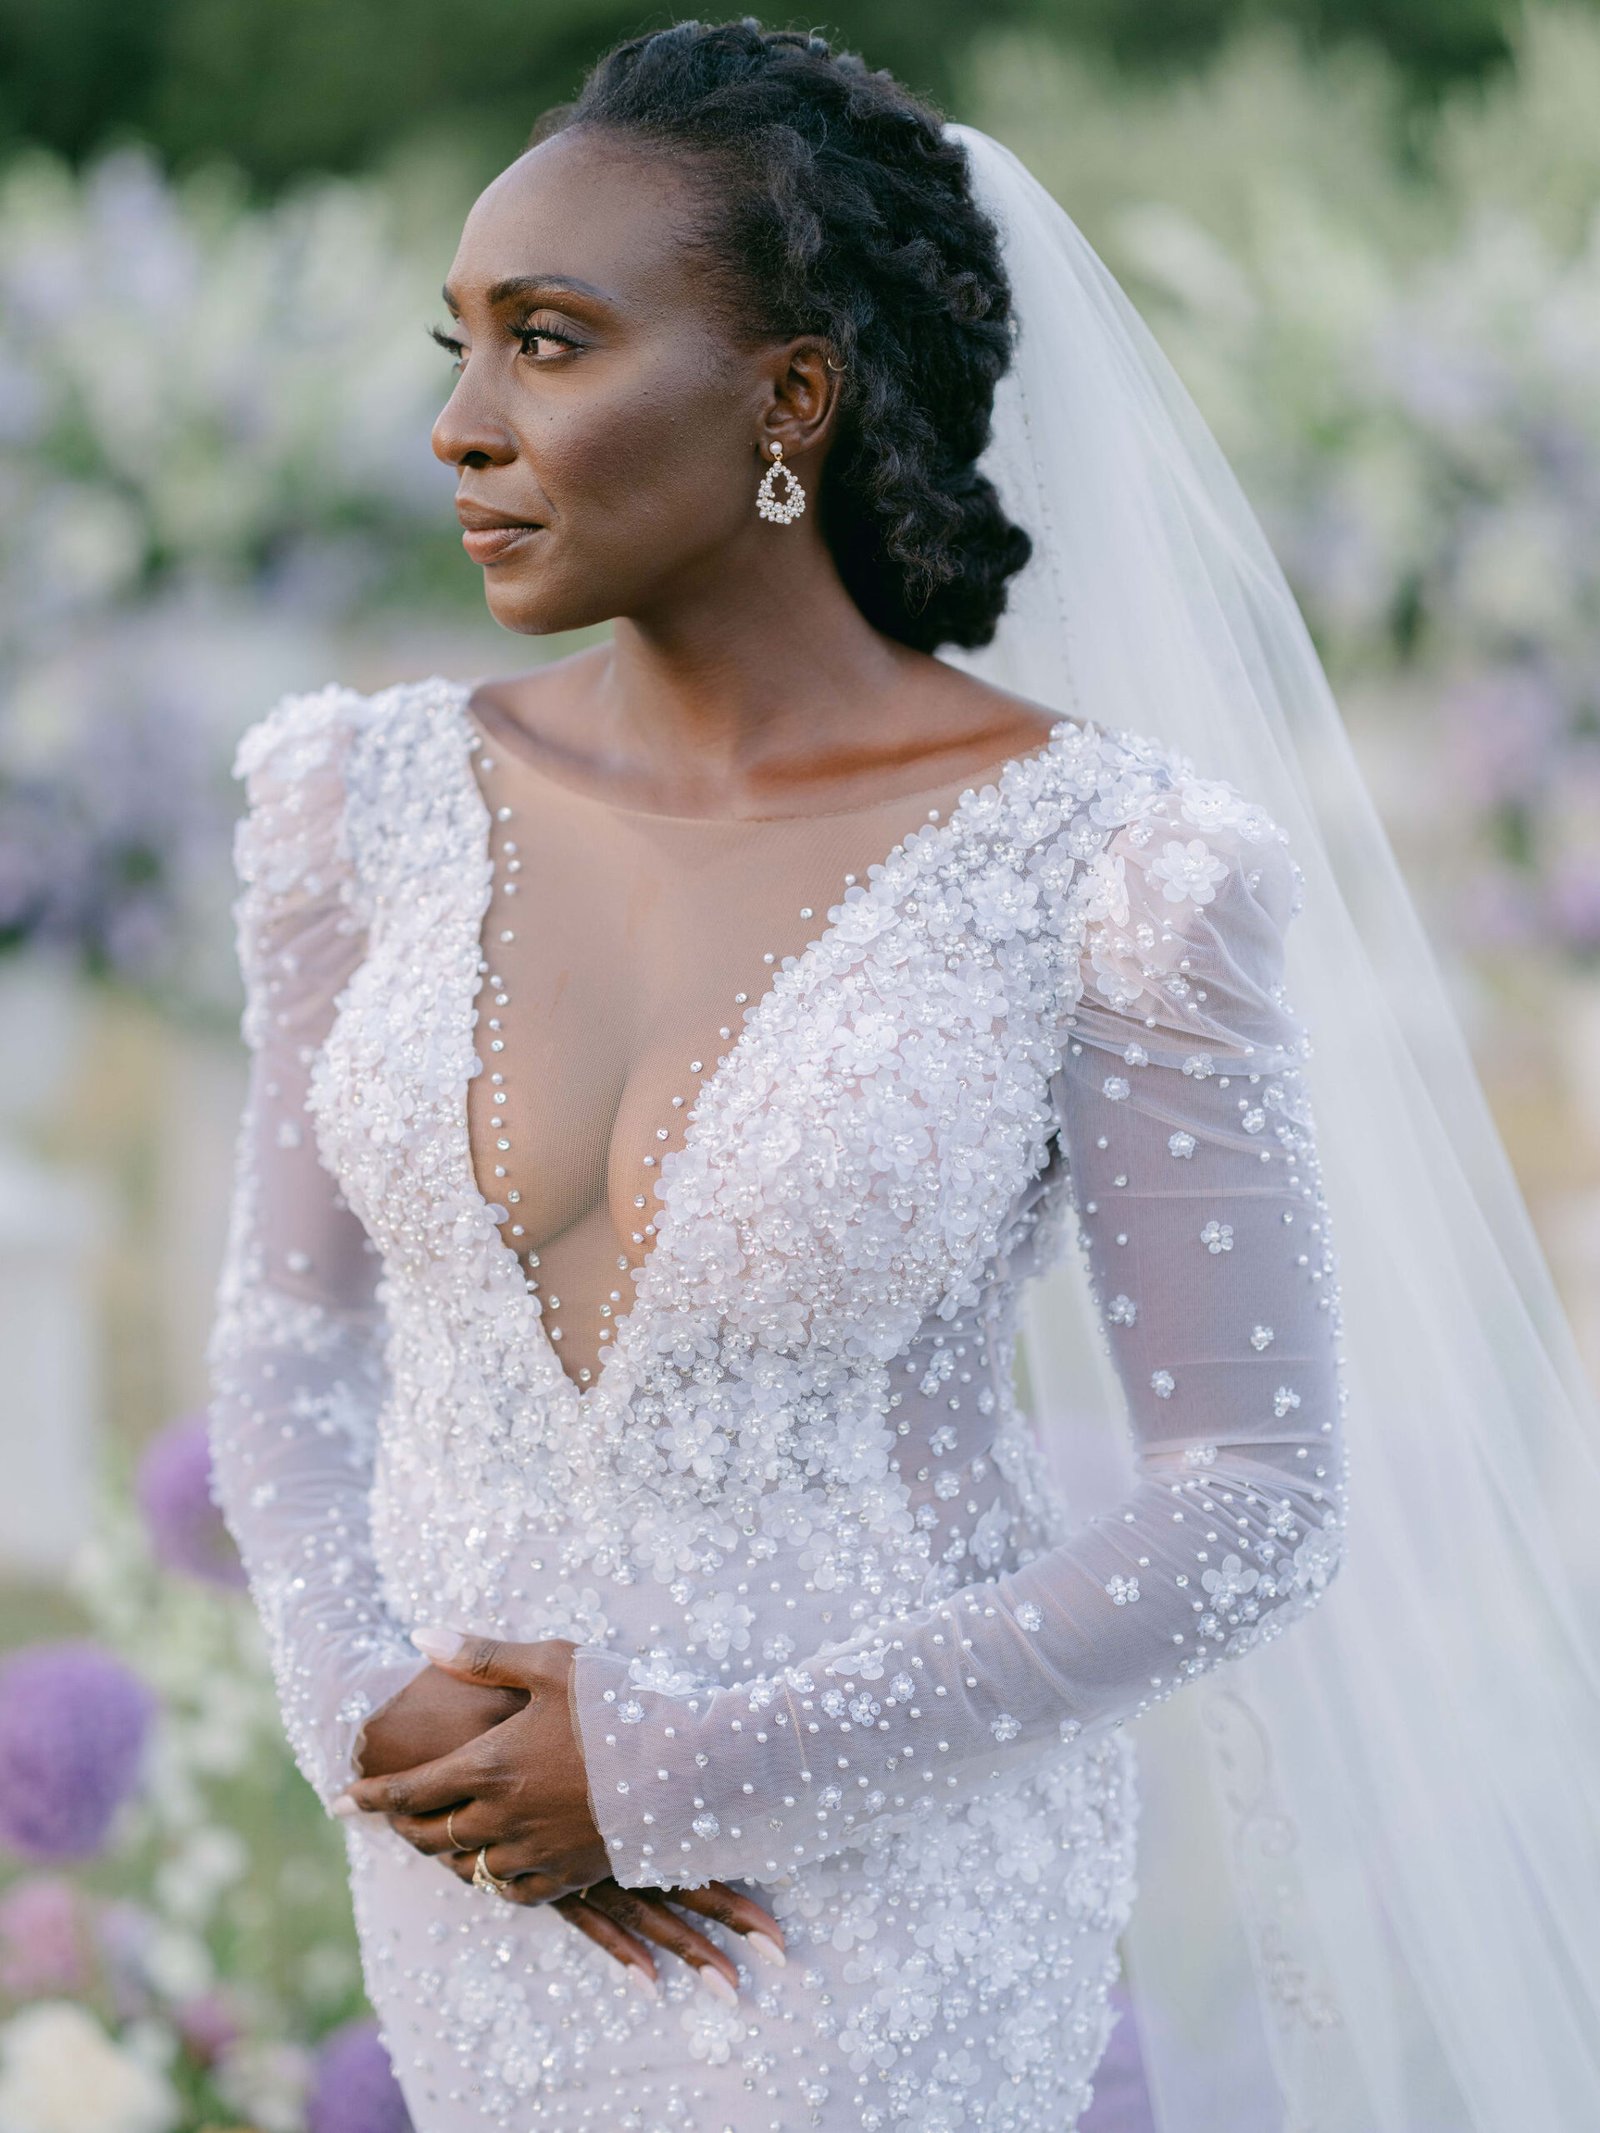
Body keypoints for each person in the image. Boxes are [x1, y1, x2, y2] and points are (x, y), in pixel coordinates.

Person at [207, 19, 1600, 2133]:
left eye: (550, 345)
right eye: (460, 345)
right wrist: (371, 1719)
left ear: (790, 394)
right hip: (468, 1874)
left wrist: (680, 1765)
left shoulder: (1110, 867)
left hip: (869, 1904)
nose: (459, 427)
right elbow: (289, 1330)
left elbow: (1248, 1492)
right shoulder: (352, 803)